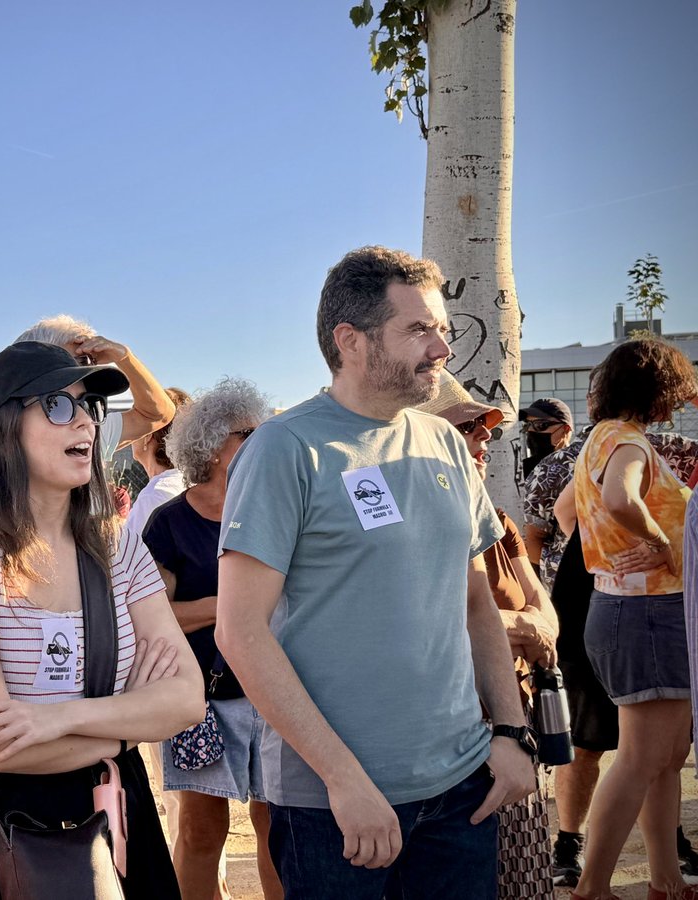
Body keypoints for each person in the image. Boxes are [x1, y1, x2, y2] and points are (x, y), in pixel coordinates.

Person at [215, 246, 535, 899]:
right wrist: (342, 778)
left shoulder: (445, 441)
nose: (441, 348)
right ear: (350, 341)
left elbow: (475, 601)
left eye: (442, 329)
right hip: (334, 805)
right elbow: (241, 631)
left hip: (461, 792)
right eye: (418, 329)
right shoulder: (285, 448)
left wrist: (509, 730)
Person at [0, 341, 205, 899]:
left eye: (89, 407)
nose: (87, 424)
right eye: (58, 404)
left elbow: (186, 700)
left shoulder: (116, 545)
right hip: (6, 831)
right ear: (3, 429)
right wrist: (127, 726)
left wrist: (55, 718)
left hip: (119, 811)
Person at [523, 379, 698, 888]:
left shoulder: (595, 441)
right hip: (638, 609)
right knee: (638, 756)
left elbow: (563, 515)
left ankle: (663, 878)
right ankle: (593, 884)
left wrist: (606, 547)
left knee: (661, 758)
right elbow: (613, 502)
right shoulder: (628, 440)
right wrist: (659, 542)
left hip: (605, 607)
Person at [419, 373, 559, 900]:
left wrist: (523, 626)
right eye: (469, 426)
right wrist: (520, 627)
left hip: (512, 720)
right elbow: (422, 618)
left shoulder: (499, 520)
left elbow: (546, 615)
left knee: (523, 876)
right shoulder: (411, 524)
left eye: (485, 427)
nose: (485, 437)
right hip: (454, 734)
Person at [143, 377, 282, 900]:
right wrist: (233, 608)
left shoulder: (278, 512)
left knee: (278, 830)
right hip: (201, 699)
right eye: (248, 433)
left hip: (273, 692)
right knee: (202, 833)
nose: (260, 442)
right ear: (211, 445)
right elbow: (155, 617)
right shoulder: (169, 523)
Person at [0, 315, 178, 515]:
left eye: (90, 360)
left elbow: (158, 414)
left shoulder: (89, 424)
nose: (86, 369)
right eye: (78, 360)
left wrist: (123, 356)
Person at [124, 387, 190, 540]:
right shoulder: (188, 484)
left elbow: (128, 560)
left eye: (136, 423)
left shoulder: (154, 496)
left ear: (148, 435)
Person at [519, 397, 573, 480]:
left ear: (565, 430)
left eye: (541, 425)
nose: (530, 430)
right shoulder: (520, 472)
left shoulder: (581, 468)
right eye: (528, 424)